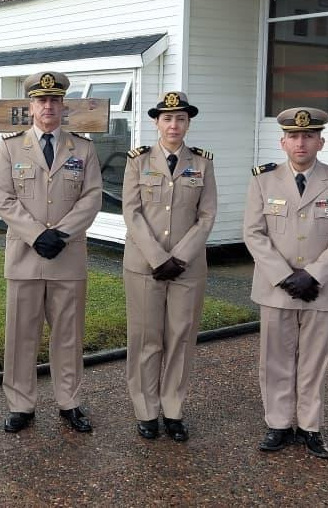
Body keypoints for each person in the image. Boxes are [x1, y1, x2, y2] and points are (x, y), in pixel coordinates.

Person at [243, 107, 328, 459]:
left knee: (314, 361)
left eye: (308, 136)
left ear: (320, 141)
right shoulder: (263, 180)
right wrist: (285, 276)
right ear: (282, 142)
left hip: (321, 289)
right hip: (276, 287)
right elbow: (253, 233)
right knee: (275, 359)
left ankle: (310, 426)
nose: (301, 142)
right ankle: (278, 424)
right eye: (294, 136)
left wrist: (313, 275)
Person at [0, 72, 103, 434]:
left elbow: (92, 197)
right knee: (21, 336)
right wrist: (37, 234)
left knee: (68, 337)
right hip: (25, 257)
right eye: (41, 100)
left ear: (62, 105)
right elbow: (4, 198)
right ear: (31, 106)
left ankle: (69, 401)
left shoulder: (82, 149)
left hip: (67, 258)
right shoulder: (11, 147)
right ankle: (21, 404)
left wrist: (63, 234)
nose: (48, 106)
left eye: (54, 100)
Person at [121, 91, 217, 442]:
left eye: (180, 119)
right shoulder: (138, 161)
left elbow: (206, 216)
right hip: (144, 264)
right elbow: (131, 212)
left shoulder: (203, 163)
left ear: (188, 122)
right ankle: (146, 409)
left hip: (187, 268)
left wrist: (180, 257)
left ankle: (173, 408)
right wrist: (159, 258)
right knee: (147, 338)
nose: (173, 124)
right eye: (167, 118)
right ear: (156, 122)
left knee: (180, 337)